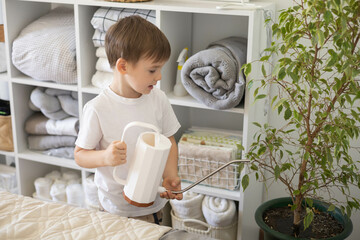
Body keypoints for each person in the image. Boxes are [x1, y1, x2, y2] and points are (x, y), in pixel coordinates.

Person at [74, 15, 183, 224]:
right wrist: (105, 157)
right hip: (115, 210)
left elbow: (169, 140)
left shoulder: (158, 99)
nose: (159, 76)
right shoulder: (98, 108)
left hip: (154, 205)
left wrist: (170, 175)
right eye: (152, 70)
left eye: (160, 68)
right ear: (123, 67)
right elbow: (80, 156)